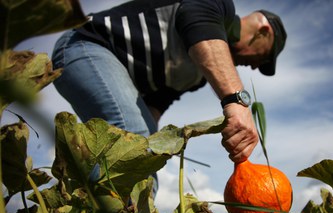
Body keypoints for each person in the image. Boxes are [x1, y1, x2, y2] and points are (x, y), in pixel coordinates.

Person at [51, 0, 287, 191]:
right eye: (264, 58)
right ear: (263, 31)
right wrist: (237, 103)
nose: (256, 67)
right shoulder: (219, 7)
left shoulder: (197, 76)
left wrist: (151, 146)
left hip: (109, 70)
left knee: (141, 149)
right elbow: (198, 21)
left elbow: (155, 103)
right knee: (130, 145)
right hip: (85, 45)